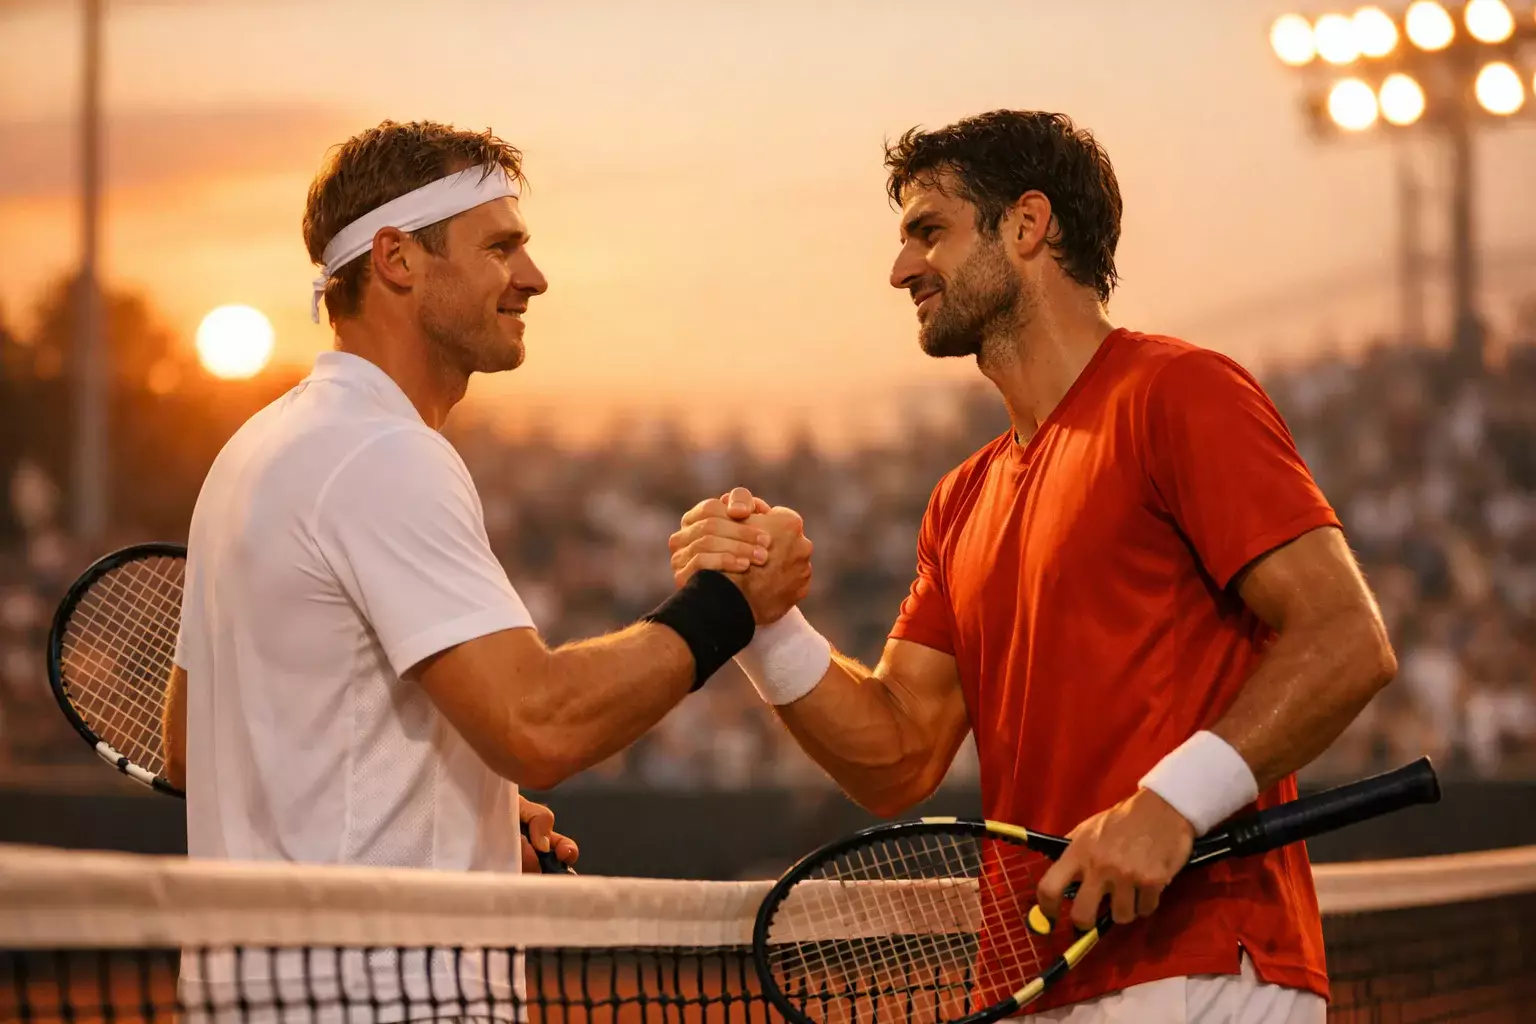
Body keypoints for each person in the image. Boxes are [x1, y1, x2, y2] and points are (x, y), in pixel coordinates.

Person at [669, 110, 1398, 1023]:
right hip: (1034, 985)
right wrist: (764, 618)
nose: (901, 269)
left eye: (928, 231)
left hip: (1200, 968)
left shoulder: (1179, 391)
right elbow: (897, 755)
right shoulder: (959, 499)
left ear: (1026, 225)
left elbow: (1348, 637)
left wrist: (1170, 806)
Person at [161, 120, 813, 880]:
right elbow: (535, 724)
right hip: (384, 993)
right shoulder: (384, 454)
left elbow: (188, 750)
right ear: (397, 258)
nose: (534, 277)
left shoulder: (255, 449)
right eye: (499, 248)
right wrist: (729, 605)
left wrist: (465, 808)